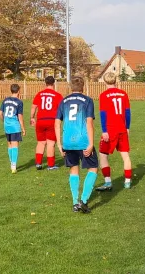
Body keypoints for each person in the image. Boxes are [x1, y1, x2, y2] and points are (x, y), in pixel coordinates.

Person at [55, 76, 98, 214]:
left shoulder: (63, 101)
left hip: (68, 141)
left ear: (70, 87)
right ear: (83, 87)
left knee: (74, 170)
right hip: (83, 141)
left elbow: (57, 123)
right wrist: (91, 143)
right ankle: (84, 200)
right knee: (93, 169)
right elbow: (89, 122)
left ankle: (75, 202)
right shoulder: (87, 100)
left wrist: (59, 143)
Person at [95, 72, 133, 191]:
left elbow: (103, 114)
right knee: (125, 155)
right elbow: (127, 112)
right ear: (115, 80)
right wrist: (127, 127)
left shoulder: (104, 95)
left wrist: (104, 130)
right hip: (122, 128)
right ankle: (127, 181)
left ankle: (108, 182)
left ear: (105, 81)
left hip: (110, 130)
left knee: (102, 155)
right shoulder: (123, 94)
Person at [30, 76, 63, 170]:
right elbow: (61, 108)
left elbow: (33, 107)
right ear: (54, 83)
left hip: (40, 120)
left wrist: (32, 117)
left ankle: (38, 163)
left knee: (41, 142)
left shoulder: (39, 94)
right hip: (51, 121)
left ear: (45, 83)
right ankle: (51, 165)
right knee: (50, 143)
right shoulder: (57, 95)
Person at [0, 84, 26, 174]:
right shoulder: (19, 102)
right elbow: (20, 116)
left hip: (6, 125)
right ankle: (14, 166)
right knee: (15, 145)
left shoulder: (5, 100)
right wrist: (23, 128)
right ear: (18, 91)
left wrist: (4, 121)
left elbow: (0, 113)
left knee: (9, 144)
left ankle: (12, 163)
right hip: (15, 126)